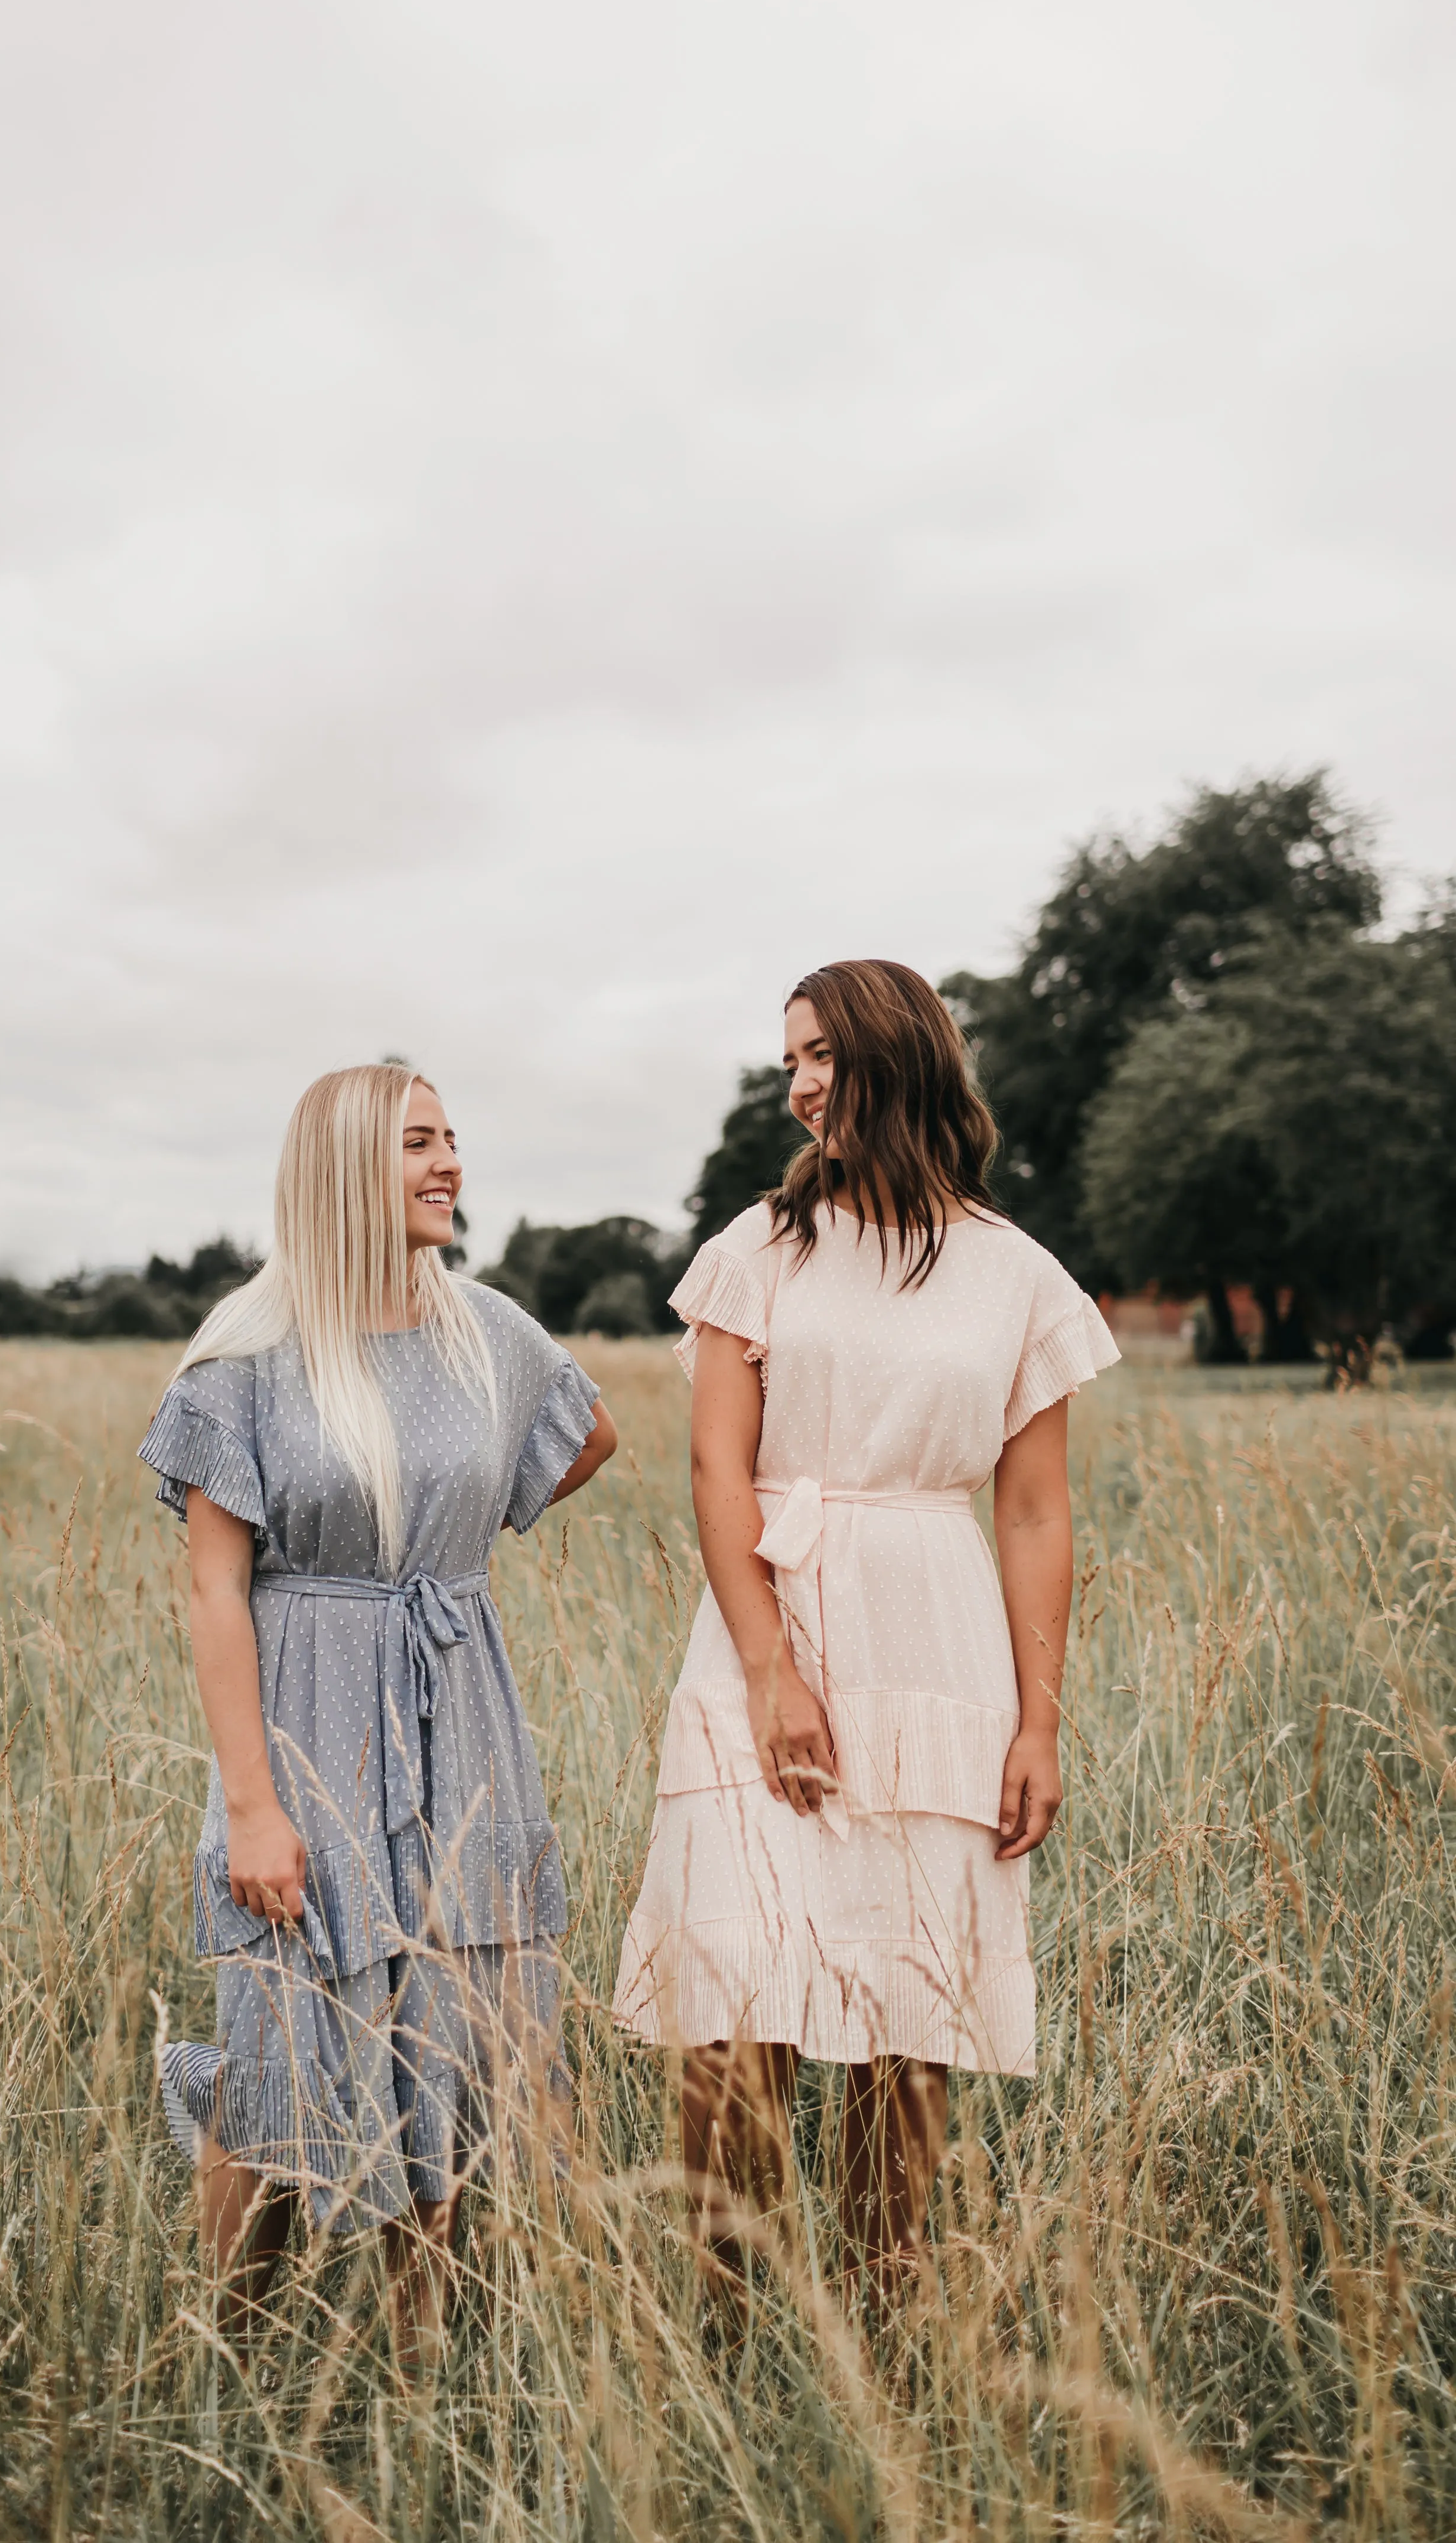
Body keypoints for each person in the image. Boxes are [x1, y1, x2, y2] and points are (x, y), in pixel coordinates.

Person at [613, 960, 1119, 2307]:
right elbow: (721, 1476)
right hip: (766, 1630)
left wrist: (1040, 1720)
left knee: (909, 2023)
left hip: (936, 1636)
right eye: (790, 1060)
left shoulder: (1019, 1277)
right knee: (733, 2000)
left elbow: (1032, 1512)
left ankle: (887, 2331)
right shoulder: (759, 1250)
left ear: (900, 1054)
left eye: (821, 1053)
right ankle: (720, 2333)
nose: (801, 1084)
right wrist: (775, 1674)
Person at [139, 1064, 617, 2334]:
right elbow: (211, 1595)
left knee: (450, 2035)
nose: (451, 1161)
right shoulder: (247, 1358)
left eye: (454, 1137)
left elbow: (592, 1435)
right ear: (348, 1168)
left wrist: (449, 1541)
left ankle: (425, 2385)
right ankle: (229, 2357)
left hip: (460, 1709)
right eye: (419, 1142)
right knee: (282, 2051)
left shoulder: (490, 1331)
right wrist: (251, 1805)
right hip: (306, 1721)